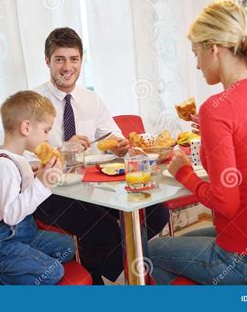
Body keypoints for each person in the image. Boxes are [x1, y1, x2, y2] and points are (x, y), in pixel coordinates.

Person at [148, 0, 247, 285]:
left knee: (147, 253)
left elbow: (226, 203)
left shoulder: (216, 108)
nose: (196, 64)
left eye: (196, 53)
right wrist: (210, 131)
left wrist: (183, 172)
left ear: (213, 49)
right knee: (185, 241)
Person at [34, 27, 169, 284]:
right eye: (59, 59)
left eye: (73, 59)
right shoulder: (32, 101)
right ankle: (127, 281)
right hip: (50, 192)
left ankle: (113, 270)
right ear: (47, 61)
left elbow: (112, 135)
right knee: (104, 230)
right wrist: (64, 149)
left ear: (81, 61)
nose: (67, 66)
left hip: (87, 185)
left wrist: (118, 145)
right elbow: (22, 160)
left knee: (156, 212)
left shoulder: (91, 99)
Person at [0, 91, 75, 285]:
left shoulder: (18, 161)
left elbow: (18, 192)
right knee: (53, 272)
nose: (47, 137)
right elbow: (11, 215)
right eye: (46, 130)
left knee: (67, 247)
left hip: (24, 235)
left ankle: (13, 266)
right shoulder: (2, 166)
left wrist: (34, 176)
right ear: (26, 127)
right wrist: (42, 183)